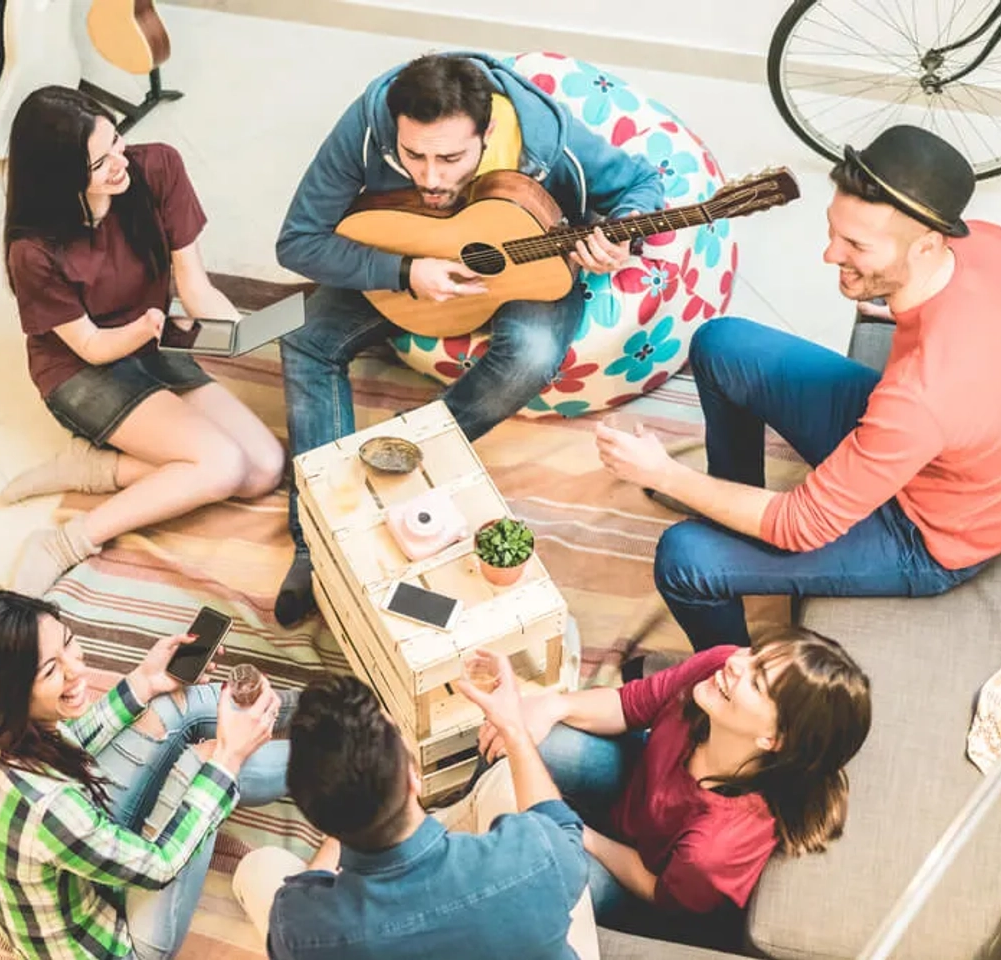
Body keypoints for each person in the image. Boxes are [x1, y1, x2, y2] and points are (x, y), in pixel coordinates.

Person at [273, 52, 665, 626]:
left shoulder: (544, 136)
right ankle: (317, 544)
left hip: (531, 268)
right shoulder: (368, 122)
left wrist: (620, 238)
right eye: (413, 156)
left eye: (451, 158)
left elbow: (641, 182)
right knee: (303, 339)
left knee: (531, 354)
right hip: (410, 261)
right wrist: (405, 271)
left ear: (488, 133)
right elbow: (297, 241)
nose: (431, 177)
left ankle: (404, 460)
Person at [597, 124, 1001, 650]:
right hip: (919, 443)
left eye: (856, 245)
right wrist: (893, 303)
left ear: (926, 246)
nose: (829, 255)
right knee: (721, 344)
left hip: (926, 533)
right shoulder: (980, 240)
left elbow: (800, 527)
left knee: (686, 558)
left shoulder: (921, 397)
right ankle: (735, 511)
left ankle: (734, 674)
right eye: (834, 230)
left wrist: (665, 474)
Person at [0, 86, 285, 596]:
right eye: (98, 163)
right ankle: (65, 542)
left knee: (263, 468)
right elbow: (88, 346)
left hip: (151, 343)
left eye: (116, 142)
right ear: (59, 179)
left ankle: (99, 468)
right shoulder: (33, 250)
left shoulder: (157, 169)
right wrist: (141, 329)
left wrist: (237, 334)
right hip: (81, 370)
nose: (119, 163)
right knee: (220, 464)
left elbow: (195, 286)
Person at [0, 589, 293, 960]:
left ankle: (298, 714)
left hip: (77, 869)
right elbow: (160, 866)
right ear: (10, 696)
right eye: (52, 670)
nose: (78, 670)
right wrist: (229, 758)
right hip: (117, 945)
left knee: (171, 703)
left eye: (68, 643)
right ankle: (319, 753)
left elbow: (73, 747)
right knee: (205, 765)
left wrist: (144, 681)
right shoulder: (50, 808)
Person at [480, 627, 871, 948]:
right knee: (540, 737)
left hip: (640, 885)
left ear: (774, 738)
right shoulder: (719, 669)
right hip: (633, 792)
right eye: (755, 653)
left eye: (757, 680)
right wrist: (554, 706)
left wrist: (577, 832)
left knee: (541, 869)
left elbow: (657, 889)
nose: (736, 661)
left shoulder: (715, 848)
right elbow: (629, 705)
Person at [260, 665, 596, 960]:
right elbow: (566, 833)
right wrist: (514, 730)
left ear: (316, 818)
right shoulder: (532, 855)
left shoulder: (297, 926)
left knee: (257, 868)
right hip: (519, 898)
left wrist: (341, 812)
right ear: (413, 778)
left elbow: (289, 922)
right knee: (506, 779)